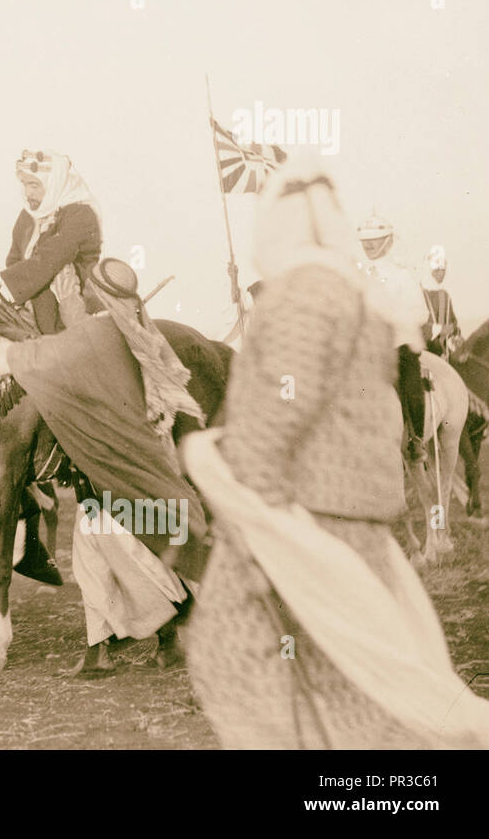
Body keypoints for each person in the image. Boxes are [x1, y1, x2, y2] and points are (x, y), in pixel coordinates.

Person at [180, 156, 489, 748]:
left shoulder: (303, 293)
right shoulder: (356, 294)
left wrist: (240, 491)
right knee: (354, 676)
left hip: (307, 517)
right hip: (356, 518)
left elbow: (280, 405)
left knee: (240, 657)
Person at [0, 257, 209, 677]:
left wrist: (0, 350)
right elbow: (78, 337)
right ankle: (100, 650)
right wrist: (70, 305)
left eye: (88, 288)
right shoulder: (130, 332)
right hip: (129, 477)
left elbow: (48, 353)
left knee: (131, 555)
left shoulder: (98, 337)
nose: (83, 291)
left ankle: (177, 624)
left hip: (123, 486)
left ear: (99, 295)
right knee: (93, 554)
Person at [0, 148, 102, 334]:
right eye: (25, 184)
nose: (28, 192)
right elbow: (14, 260)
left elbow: (51, 257)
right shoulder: (28, 216)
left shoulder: (81, 215)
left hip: (71, 309)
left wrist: (1, 281)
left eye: (34, 185)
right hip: (30, 307)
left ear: (54, 184)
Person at [357, 213, 428, 461]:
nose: (369, 244)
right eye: (365, 239)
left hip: (397, 345)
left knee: (409, 378)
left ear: (388, 240)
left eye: (375, 239)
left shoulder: (402, 276)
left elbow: (421, 313)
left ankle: (416, 438)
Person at [420, 247, 461, 359]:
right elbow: (413, 325)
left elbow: (453, 324)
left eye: (443, 270)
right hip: (422, 354)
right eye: (437, 270)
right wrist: (439, 329)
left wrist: (455, 338)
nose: (441, 274)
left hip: (443, 355)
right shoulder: (418, 294)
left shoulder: (445, 295)